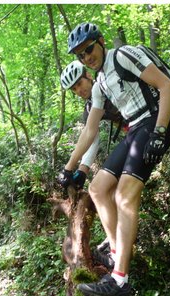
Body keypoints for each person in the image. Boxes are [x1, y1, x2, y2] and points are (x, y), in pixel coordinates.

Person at [61, 22, 170, 296]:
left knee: (125, 196)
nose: (87, 57)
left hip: (152, 122)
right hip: (135, 129)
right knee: (99, 188)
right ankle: (115, 254)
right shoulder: (99, 83)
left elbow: (167, 86)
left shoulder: (122, 55)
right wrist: (69, 168)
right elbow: (90, 131)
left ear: (100, 41)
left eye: (88, 49)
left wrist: (160, 132)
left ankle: (120, 281)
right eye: (80, 55)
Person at [58, 60, 126, 201]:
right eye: (74, 89)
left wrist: (68, 168)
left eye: (79, 84)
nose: (79, 90)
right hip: (133, 133)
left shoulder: (107, 83)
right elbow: (92, 138)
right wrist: (83, 171)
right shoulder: (89, 108)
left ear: (88, 75)